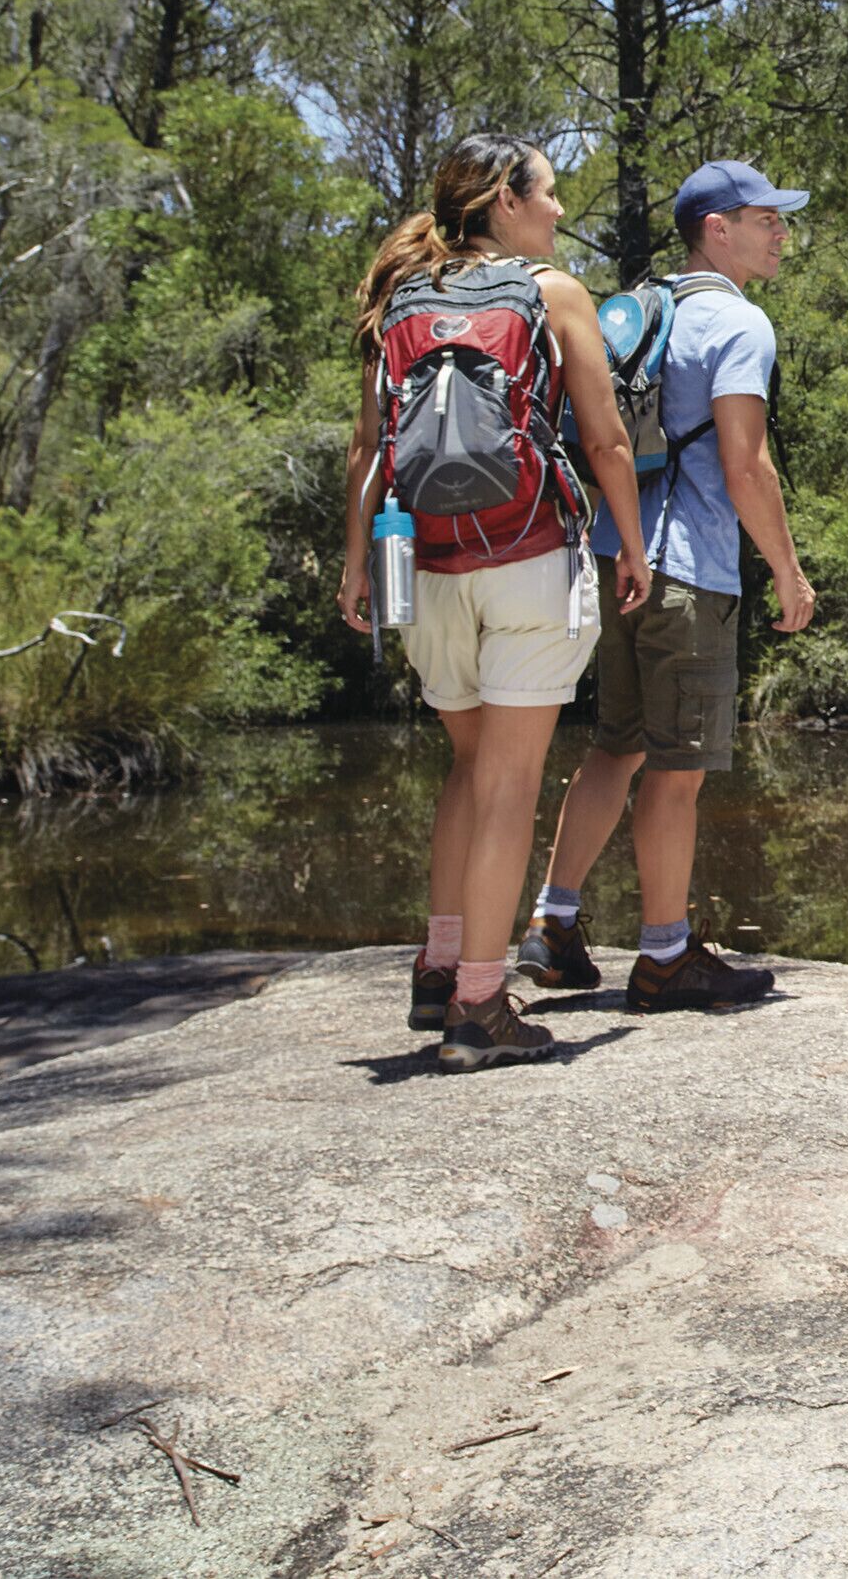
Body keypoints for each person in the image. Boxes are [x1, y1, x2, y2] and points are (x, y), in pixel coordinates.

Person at [342, 135, 652, 1070]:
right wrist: (631, 546)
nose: (559, 211)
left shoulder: (400, 297)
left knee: (469, 772)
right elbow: (604, 442)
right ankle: (481, 1004)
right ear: (505, 202)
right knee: (511, 784)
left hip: (427, 566)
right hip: (527, 559)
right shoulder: (551, 293)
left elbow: (366, 447)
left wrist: (355, 564)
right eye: (549, 193)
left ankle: (439, 969)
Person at [519, 159, 816, 1010]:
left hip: (618, 559)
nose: (781, 233)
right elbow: (745, 462)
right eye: (766, 219)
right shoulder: (740, 324)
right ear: (716, 229)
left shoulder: (644, 312)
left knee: (617, 743)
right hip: (690, 570)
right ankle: (663, 956)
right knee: (678, 771)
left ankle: (555, 921)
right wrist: (788, 572)